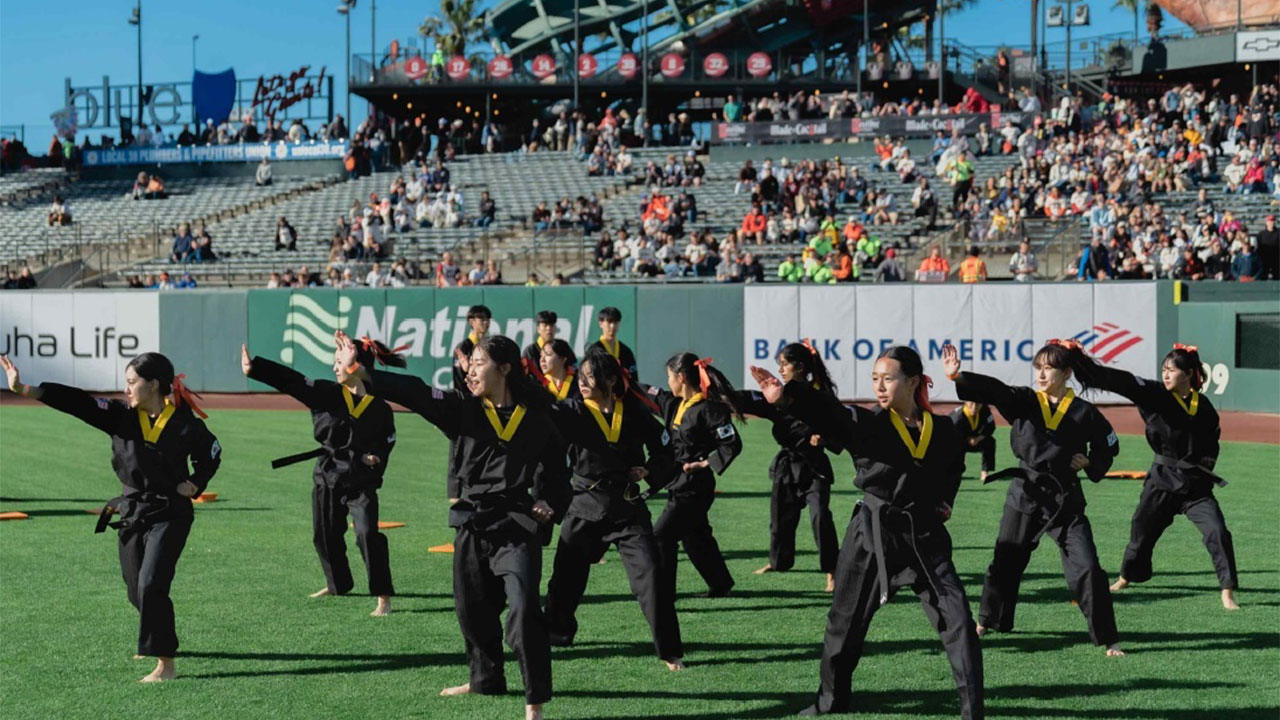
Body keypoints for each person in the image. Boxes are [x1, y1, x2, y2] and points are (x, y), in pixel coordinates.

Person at [336, 331, 568, 720]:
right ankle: (485, 680)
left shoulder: (538, 418)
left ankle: (535, 701)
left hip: (516, 525)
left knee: (525, 608)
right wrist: (361, 368)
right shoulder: (463, 409)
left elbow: (558, 471)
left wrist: (549, 502)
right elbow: (415, 392)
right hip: (472, 523)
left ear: (505, 368)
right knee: (472, 610)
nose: (470, 371)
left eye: (479, 363)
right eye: (469, 364)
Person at [749, 345, 981, 719]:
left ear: (913, 381)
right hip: (872, 534)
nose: (879, 386)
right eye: (875, 379)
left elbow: (953, 465)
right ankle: (830, 702)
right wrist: (786, 396)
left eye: (888, 378)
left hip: (924, 536)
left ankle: (974, 712)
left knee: (959, 622)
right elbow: (828, 412)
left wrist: (945, 500)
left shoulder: (942, 429)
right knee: (844, 624)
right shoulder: (866, 423)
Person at [0, 352, 221, 683]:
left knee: (151, 584)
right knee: (135, 588)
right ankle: (156, 633)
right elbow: (78, 403)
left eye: (132, 382)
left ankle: (166, 664)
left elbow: (213, 452)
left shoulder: (187, 424)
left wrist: (196, 482)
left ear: (154, 385)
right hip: (132, 510)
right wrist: (26, 389)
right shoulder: (120, 417)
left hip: (171, 514)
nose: (126, 389)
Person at [941, 341, 1124, 656]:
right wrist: (959, 377)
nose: (1040, 373)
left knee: (1088, 567)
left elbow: (1109, 446)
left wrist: (1091, 463)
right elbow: (996, 391)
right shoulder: (1025, 401)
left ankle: (1108, 638)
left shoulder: (1084, 412)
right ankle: (987, 621)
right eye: (1037, 367)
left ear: (1066, 372)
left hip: (1065, 499)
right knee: (1005, 561)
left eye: (1048, 368)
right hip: (1025, 493)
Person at [543, 347, 685, 670]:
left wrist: (649, 470)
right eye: (580, 376)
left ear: (609, 379)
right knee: (565, 580)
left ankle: (670, 651)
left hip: (627, 507)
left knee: (651, 574)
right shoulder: (571, 411)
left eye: (590, 377)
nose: (582, 382)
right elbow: (544, 437)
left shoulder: (632, 410)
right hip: (583, 506)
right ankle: (556, 634)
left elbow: (667, 448)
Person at [242, 338, 401, 617]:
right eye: (335, 361)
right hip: (327, 474)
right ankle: (337, 584)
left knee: (367, 534)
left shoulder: (380, 408)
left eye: (340, 361)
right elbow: (293, 381)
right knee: (324, 536)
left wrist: (376, 457)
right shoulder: (327, 393)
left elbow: (387, 440)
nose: (334, 366)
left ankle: (382, 596)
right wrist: (256, 369)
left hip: (361, 481)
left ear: (357, 366)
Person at [1073, 345, 1239, 610]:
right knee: (1141, 533)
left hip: (1196, 487)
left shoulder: (1204, 407)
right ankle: (1127, 577)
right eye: (1163, 370)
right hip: (1162, 482)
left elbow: (1211, 446)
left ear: (1189, 374)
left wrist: (1203, 475)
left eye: (1171, 370)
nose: (1166, 375)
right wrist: (1082, 364)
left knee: (1217, 531)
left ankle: (1227, 591)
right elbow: (1124, 382)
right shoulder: (1155, 396)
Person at [643, 355, 743, 599]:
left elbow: (731, 444)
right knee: (696, 537)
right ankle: (720, 583)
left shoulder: (709, 409)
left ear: (681, 377)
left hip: (695, 487)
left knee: (661, 537)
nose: (667, 382)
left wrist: (704, 463)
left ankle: (663, 595)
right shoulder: (676, 404)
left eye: (669, 376)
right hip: (679, 483)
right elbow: (650, 393)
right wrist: (623, 380)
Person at [743, 341, 839, 592]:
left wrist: (824, 437)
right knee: (780, 518)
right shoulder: (781, 395)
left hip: (814, 466)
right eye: (780, 365)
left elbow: (836, 425)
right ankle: (778, 562)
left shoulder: (819, 395)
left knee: (820, 517)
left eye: (785, 364)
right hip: (787, 465)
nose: (781, 369)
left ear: (800, 366)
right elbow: (754, 404)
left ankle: (833, 570)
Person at [949, 401, 996, 481]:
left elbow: (991, 427)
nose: (974, 407)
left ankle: (985, 471)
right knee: (956, 446)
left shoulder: (985, 410)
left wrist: (978, 438)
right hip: (958, 441)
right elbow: (951, 437)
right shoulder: (957, 417)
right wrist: (967, 439)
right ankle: (956, 471)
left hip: (975, 440)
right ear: (966, 402)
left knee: (990, 441)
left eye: (977, 404)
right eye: (971, 403)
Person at [590, 306, 638, 381]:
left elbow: (634, 378)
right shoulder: (594, 350)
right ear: (601, 323)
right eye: (609, 322)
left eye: (615, 322)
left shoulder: (626, 351)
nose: (612, 326)